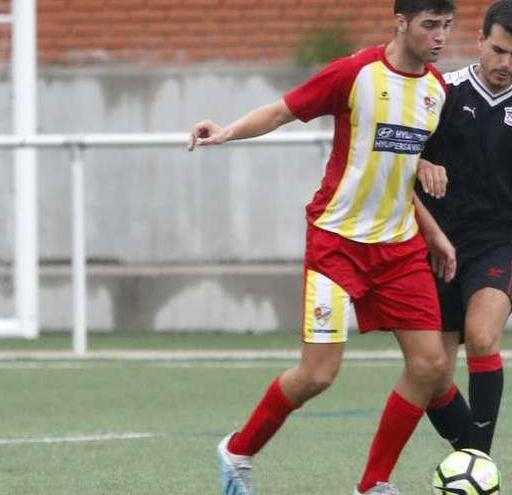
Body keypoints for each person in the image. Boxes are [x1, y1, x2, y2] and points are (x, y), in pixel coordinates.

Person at [188, 2, 459, 494]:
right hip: (337, 245)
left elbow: (400, 174)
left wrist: (434, 234)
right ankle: (237, 451)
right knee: (317, 374)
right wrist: (227, 131)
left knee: (431, 364)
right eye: (430, 25)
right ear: (401, 22)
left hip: (398, 250)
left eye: (446, 26)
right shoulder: (355, 74)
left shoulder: (437, 91)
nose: (440, 36)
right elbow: (279, 111)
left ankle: (374, 484)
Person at [417, 0, 512, 455]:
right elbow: (397, 156)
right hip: (437, 242)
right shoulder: (442, 91)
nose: (505, 64)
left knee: (482, 337)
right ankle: (473, 455)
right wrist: (421, 164)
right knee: (429, 372)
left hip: (498, 243)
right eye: (498, 50)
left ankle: (478, 461)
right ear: (480, 40)